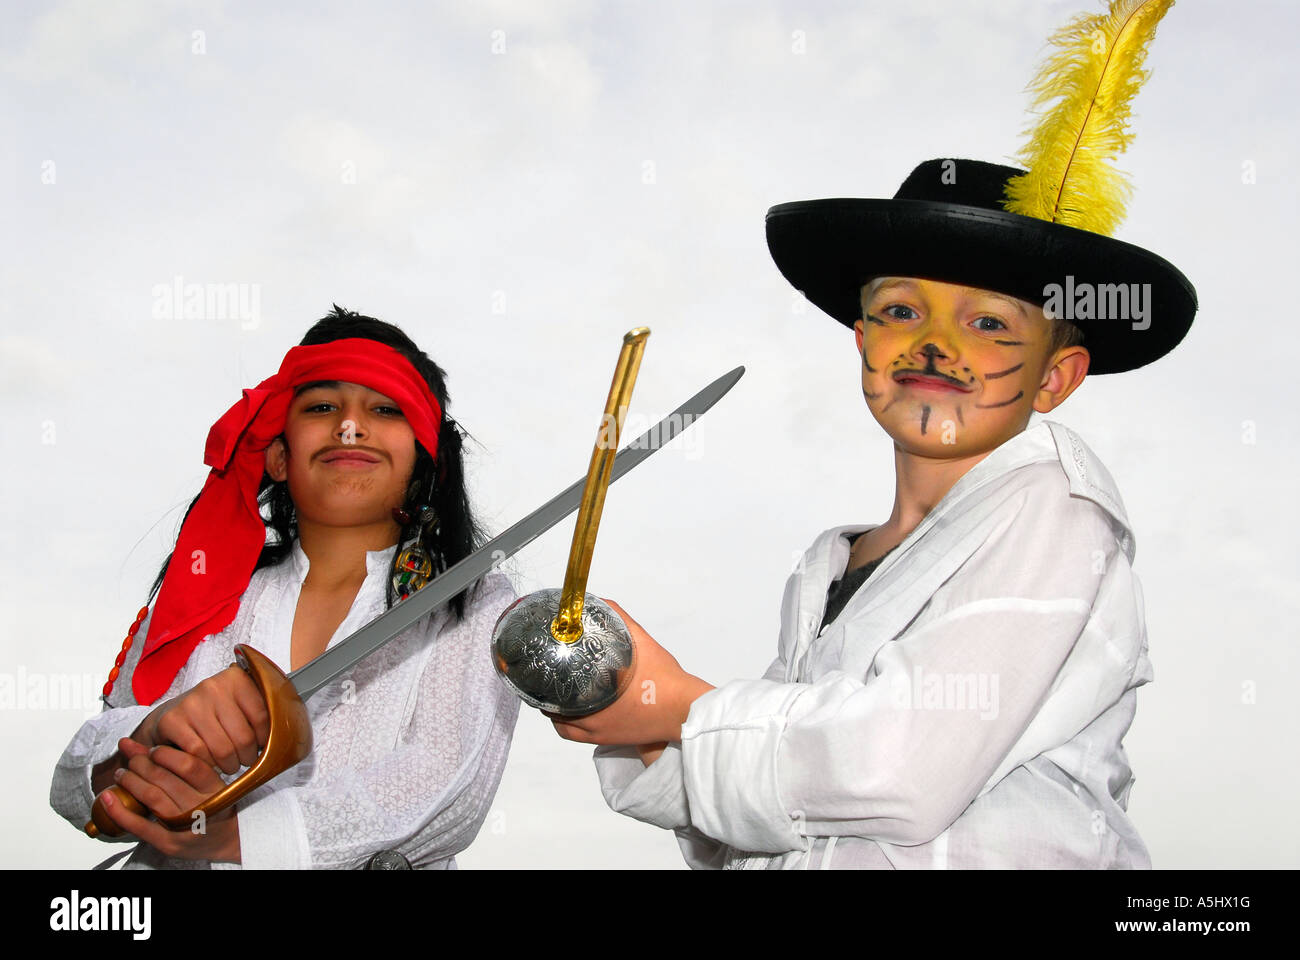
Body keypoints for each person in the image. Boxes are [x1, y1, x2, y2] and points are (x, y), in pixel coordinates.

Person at [548, 154, 1197, 868]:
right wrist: (636, 721)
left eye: (987, 322)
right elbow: (775, 807)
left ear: (1055, 377)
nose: (935, 344)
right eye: (901, 311)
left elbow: (899, 770)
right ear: (864, 340)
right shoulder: (830, 567)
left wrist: (679, 707)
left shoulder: (1058, 514)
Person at [50, 306, 520, 869]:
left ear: (424, 460)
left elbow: (447, 787)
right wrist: (149, 736)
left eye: (385, 408)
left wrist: (234, 840)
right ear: (277, 454)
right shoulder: (201, 596)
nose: (349, 426)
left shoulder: (476, 603)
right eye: (322, 407)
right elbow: (74, 791)